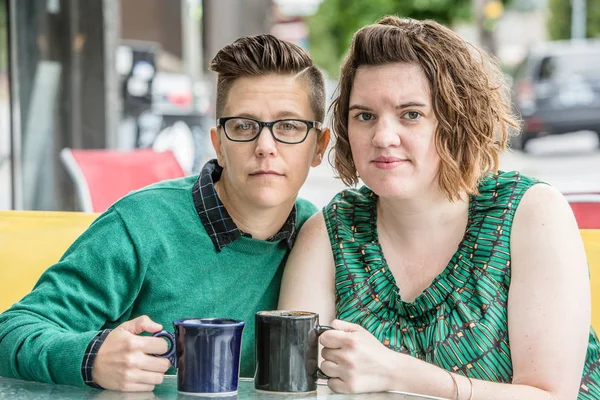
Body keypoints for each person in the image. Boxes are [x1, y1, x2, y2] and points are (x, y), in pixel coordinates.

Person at [279, 16, 600, 399]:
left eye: (411, 114)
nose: (382, 137)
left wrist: (397, 373)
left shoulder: (531, 214)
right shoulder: (330, 233)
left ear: (455, 122)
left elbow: (551, 396)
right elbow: (292, 388)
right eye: (364, 116)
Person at [0, 34, 330, 391]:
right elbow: (12, 331)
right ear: (218, 144)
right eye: (244, 126)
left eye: (289, 127)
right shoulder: (142, 222)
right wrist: (92, 358)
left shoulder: (317, 238)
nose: (265, 147)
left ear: (318, 147)